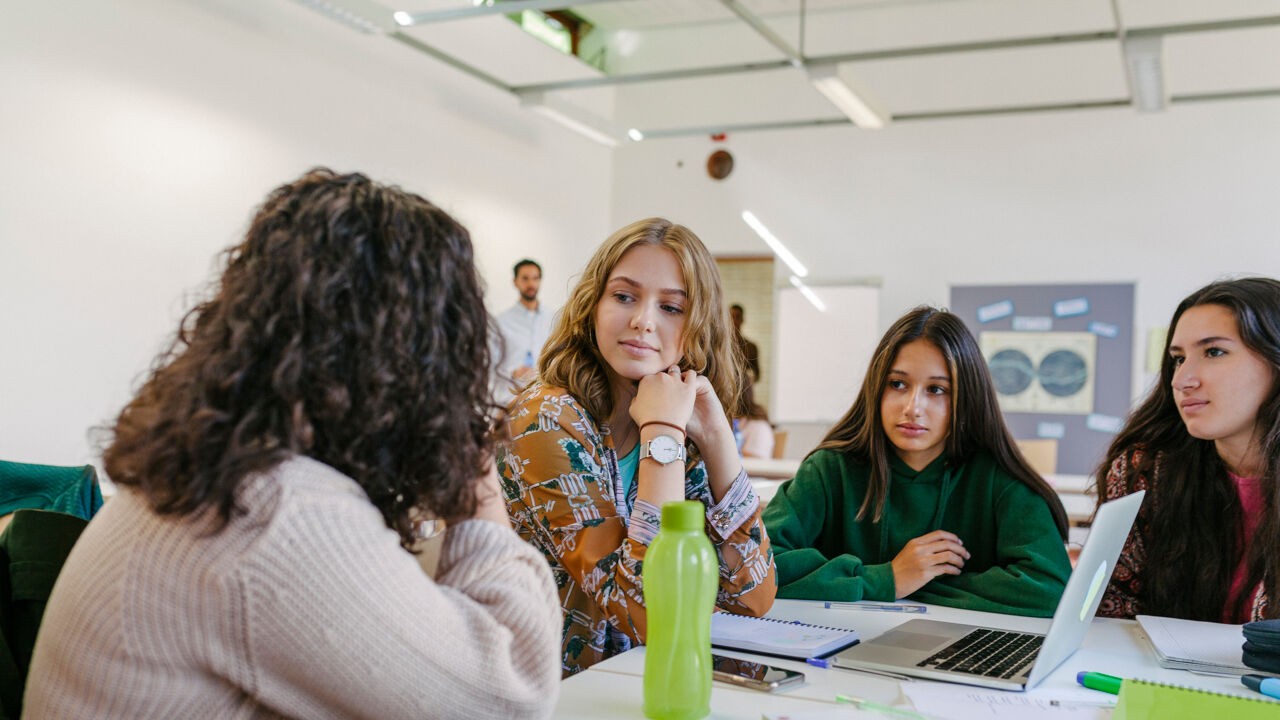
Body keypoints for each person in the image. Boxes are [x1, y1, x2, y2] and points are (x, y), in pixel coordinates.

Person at [24, 170, 562, 719]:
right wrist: (478, 495)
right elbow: (510, 699)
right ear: (414, 356)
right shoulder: (275, 513)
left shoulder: (225, 465)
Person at [499, 217, 777, 677]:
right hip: (556, 697)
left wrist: (716, 440)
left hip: (643, 683)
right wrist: (663, 437)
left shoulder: (672, 410)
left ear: (698, 325)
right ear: (592, 305)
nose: (642, 321)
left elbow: (752, 597)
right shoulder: (545, 421)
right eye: (624, 296)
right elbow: (652, 612)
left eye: (671, 307)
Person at [763, 306, 1071, 617]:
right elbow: (755, 567)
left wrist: (912, 580)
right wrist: (887, 579)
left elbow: (1049, 589)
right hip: (839, 643)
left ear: (967, 398)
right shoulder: (829, 470)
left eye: (937, 390)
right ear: (876, 388)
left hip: (956, 651)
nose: (913, 407)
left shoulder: (1000, 479)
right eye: (898, 384)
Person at [1095, 277, 1280, 623]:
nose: (1183, 379)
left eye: (1214, 352)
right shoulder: (1146, 471)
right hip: (1158, 676)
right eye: (1179, 359)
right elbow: (1114, 609)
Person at [494, 258, 554, 398]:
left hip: (544, 398)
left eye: (535, 278)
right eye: (525, 279)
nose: (531, 284)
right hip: (510, 398)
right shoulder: (501, 322)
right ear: (515, 282)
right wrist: (512, 372)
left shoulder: (553, 319)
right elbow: (491, 362)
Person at [730, 303, 761, 382]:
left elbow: (757, 375)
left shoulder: (751, 347)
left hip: (744, 390)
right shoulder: (719, 345)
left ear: (742, 319)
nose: (734, 321)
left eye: (737, 317)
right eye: (731, 317)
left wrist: (749, 376)